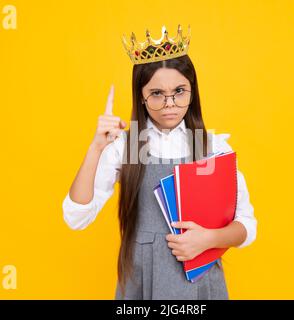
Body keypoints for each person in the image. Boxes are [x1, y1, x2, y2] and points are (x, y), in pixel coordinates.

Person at [63, 25, 257, 299]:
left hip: (200, 286)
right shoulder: (126, 147)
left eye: (179, 91)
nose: (169, 103)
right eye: (156, 94)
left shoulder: (213, 147)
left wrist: (208, 239)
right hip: (142, 284)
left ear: (193, 92)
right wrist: (96, 148)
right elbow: (76, 217)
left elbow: (246, 226)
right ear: (141, 97)